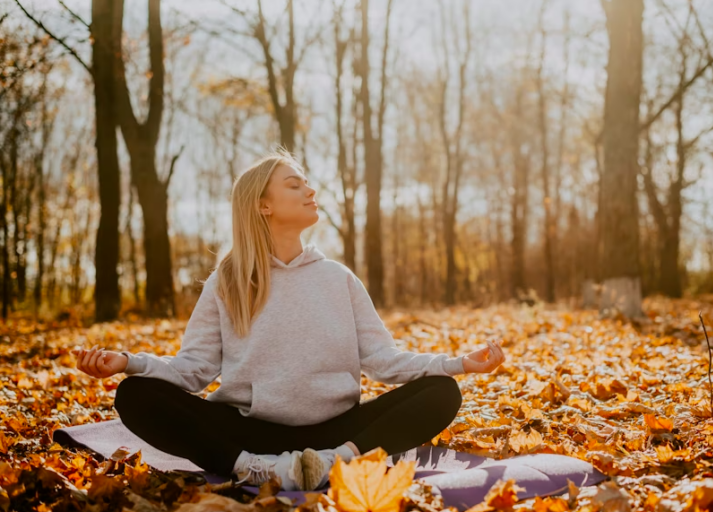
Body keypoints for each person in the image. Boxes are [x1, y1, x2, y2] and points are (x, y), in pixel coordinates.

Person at [73, 149, 506, 492]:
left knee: (441, 393)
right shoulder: (228, 282)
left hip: (337, 434)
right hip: (250, 437)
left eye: (308, 183)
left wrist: (459, 364)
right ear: (263, 205)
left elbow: (383, 361)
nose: (310, 190)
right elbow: (193, 372)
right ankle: (256, 471)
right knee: (134, 396)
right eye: (294, 184)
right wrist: (128, 362)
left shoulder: (339, 278)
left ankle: (337, 464)